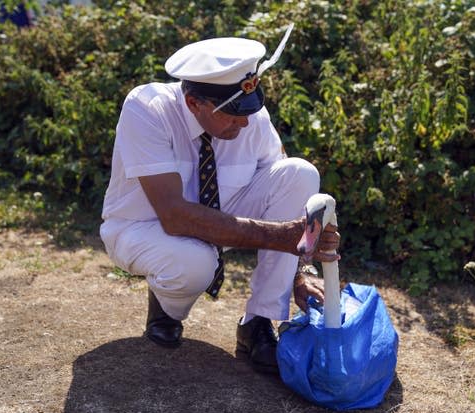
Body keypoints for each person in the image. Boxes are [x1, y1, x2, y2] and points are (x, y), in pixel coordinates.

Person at [99, 31, 340, 374]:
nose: (244, 122)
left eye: (249, 108)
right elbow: (174, 217)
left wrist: (300, 266)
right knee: (194, 263)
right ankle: (166, 308)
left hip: (222, 221)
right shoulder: (147, 108)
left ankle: (259, 322)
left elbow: (287, 194)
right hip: (143, 229)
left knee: (299, 172)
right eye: (232, 114)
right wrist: (283, 238)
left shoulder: (249, 118)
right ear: (194, 103)